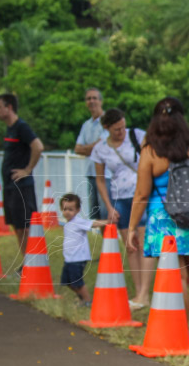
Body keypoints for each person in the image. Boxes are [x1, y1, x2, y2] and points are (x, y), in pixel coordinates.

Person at [127, 97, 189, 346]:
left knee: (178, 278)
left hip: (165, 221)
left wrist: (131, 229)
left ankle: (184, 335)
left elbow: (141, 194)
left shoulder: (150, 151)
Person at [89, 108, 156, 308]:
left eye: (123, 127)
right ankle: (138, 293)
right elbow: (100, 181)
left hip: (142, 196)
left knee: (144, 242)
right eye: (117, 129)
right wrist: (109, 206)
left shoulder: (138, 136)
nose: (121, 132)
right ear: (107, 128)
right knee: (131, 246)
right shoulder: (100, 148)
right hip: (120, 197)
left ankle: (145, 292)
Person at [0, 93, 44, 270]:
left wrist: (27, 170)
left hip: (22, 186)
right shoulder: (10, 129)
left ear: (9, 108)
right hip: (10, 185)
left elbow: (38, 146)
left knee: (26, 225)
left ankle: (34, 261)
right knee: (16, 224)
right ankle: (26, 261)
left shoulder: (21, 127)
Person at [58, 193, 109, 304]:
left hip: (78, 259)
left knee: (77, 282)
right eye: (65, 209)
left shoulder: (78, 221)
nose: (67, 212)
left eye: (71, 209)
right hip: (69, 259)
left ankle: (88, 301)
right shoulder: (67, 224)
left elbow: (92, 224)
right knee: (66, 281)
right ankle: (82, 297)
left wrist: (107, 222)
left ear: (77, 210)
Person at [74, 88, 108, 220]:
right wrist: (93, 147)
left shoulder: (107, 122)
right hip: (90, 173)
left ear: (101, 101)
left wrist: (87, 148)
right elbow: (77, 149)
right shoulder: (86, 125)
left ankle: (112, 240)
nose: (91, 101)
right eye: (88, 99)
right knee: (96, 214)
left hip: (105, 175)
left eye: (94, 98)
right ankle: (104, 241)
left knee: (106, 212)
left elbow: (101, 146)